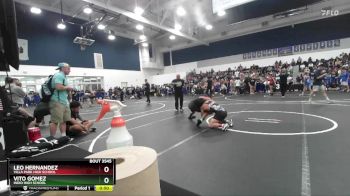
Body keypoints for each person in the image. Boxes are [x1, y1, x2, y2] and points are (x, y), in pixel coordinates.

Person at [49, 62, 74, 137]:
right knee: (55, 121)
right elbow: (58, 87)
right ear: (63, 68)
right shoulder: (59, 75)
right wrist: (68, 87)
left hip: (64, 101)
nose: (70, 70)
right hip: (57, 101)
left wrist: (69, 98)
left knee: (64, 120)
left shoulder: (64, 76)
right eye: (68, 68)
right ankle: (52, 138)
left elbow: (64, 89)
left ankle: (64, 136)